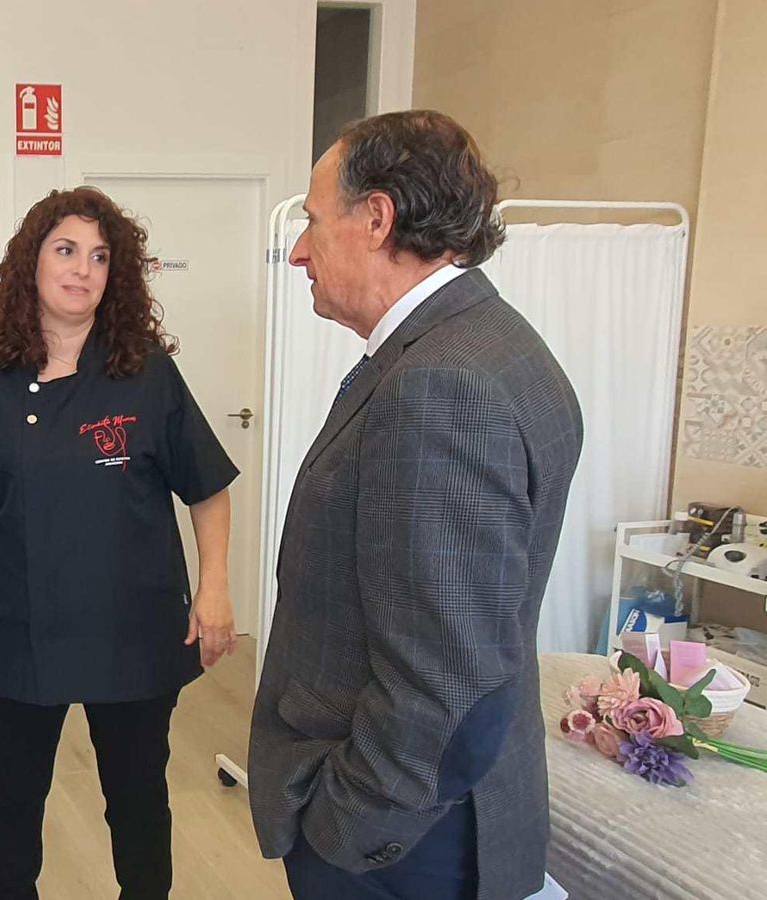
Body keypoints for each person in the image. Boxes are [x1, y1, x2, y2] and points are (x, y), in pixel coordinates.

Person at [248, 110, 584, 900]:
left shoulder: (442, 385)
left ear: (375, 219)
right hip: (433, 818)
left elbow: (447, 681)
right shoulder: (491, 343)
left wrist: (347, 830)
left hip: (406, 847)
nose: (299, 248)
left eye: (312, 219)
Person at [0, 187, 239, 900]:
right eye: (66, 250)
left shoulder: (146, 374)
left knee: (138, 799)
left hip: (135, 632)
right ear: (30, 264)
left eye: (99, 256)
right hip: (17, 629)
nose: (82, 269)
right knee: (14, 797)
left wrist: (213, 590)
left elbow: (208, 488)